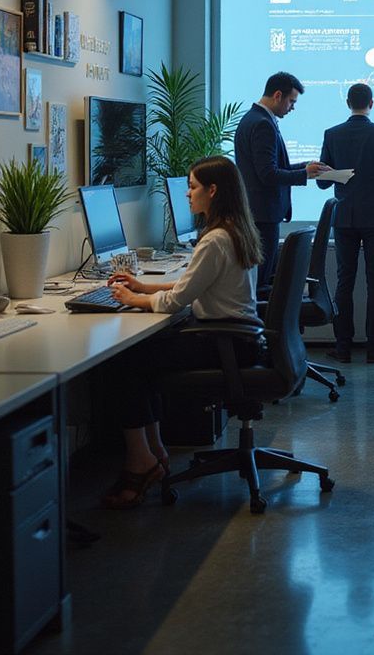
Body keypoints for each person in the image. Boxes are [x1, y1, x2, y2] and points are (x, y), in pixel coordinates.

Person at [102, 156, 266, 509]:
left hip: (224, 344)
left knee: (124, 362)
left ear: (212, 190)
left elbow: (177, 300)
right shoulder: (235, 230)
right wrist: (144, 287)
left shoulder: (215, 239)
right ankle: (153, 451)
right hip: (240, 340)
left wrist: (133, 298)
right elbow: (195, 284)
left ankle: (142, 459)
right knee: (142, 354)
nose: (188, 195)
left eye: (192, 188)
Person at [318, 83, 374, 364]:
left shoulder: (331, 134)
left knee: (344, 282)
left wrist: (337, 175)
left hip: (343, 218)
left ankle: (342, 346)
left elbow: (322, 182)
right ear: (372, 103)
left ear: (348, 102)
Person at [234, 71, 330, 288]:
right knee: (261, 280)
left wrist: (306, 167)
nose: (292, 107)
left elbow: (273, 168)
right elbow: (268, 174)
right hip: (263, 214)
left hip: (261, 212)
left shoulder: (256, 118)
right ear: (278, 95)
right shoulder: (262, 124)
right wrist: (304, 173)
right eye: (291, 101)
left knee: (264, 276)